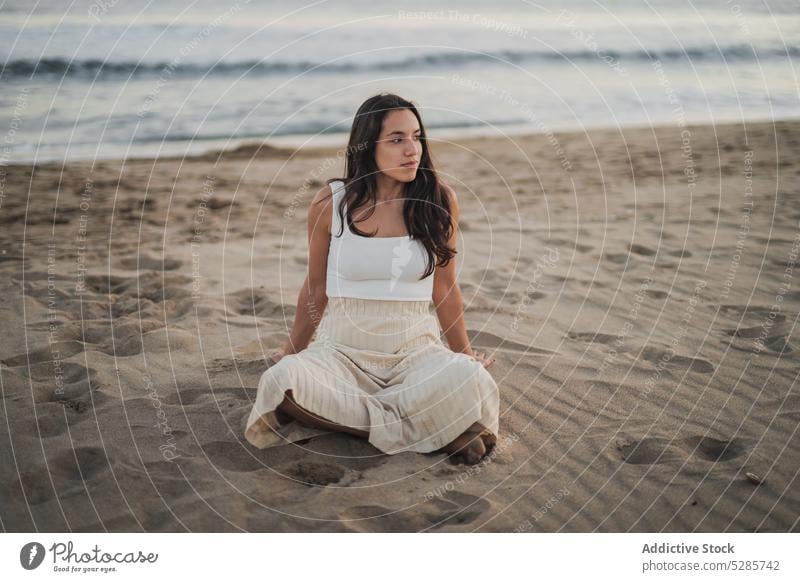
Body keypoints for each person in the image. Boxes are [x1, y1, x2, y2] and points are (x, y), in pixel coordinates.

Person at [244, 93, 499, 464]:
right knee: (280, 383)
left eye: (416, 137)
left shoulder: (440, 201)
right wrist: (292, 352)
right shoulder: (330, 203)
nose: (412, 149)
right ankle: (424, 432)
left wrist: (464, 354)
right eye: (397, 139)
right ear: (367, 147)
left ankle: (365, 422)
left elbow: (445, 287)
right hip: (341, 353)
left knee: (470, 380)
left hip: (415, 354)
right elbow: (315, 288)